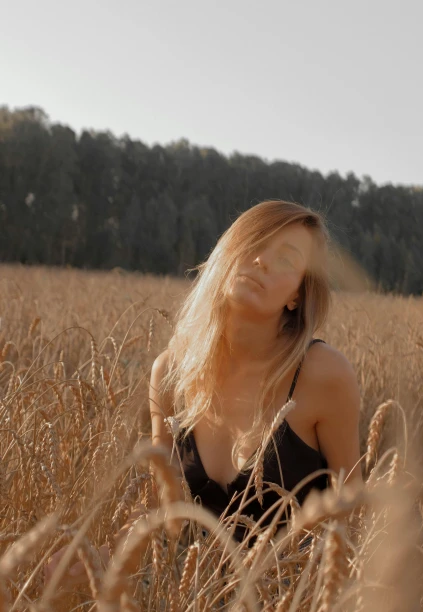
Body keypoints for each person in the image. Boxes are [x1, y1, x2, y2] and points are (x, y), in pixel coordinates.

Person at [44, 199, 362, 583]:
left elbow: (354, 513)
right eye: (254, 243)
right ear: (228, 253)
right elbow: (160, 516)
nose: (261, 261)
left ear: (296, 295)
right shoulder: (170, 374)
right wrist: (100, 559)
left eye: (286, 259)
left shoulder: (322, 374)